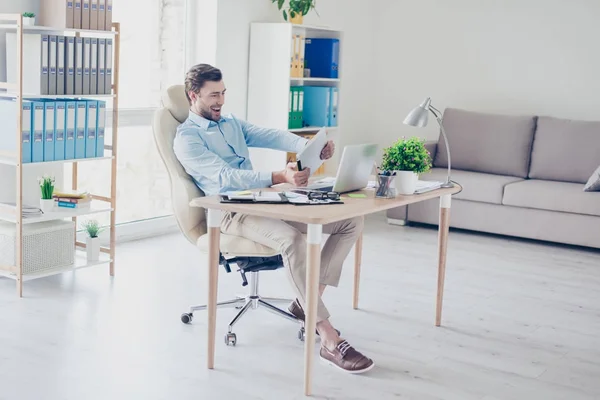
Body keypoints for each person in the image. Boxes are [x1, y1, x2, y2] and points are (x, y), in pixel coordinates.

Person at [173, 63, 374, 374]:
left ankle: (305, 303)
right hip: (230, 211)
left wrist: (310, 147)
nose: (221, 101)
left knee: (350, 222)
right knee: (292, 240)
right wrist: (278, 175)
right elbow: (225, 178)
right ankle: (329, 339)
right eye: (214, 95)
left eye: (223, 93)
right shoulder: (187, 138)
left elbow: (270, 135)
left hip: (264, 201)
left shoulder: (229, 122)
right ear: (193, 95)